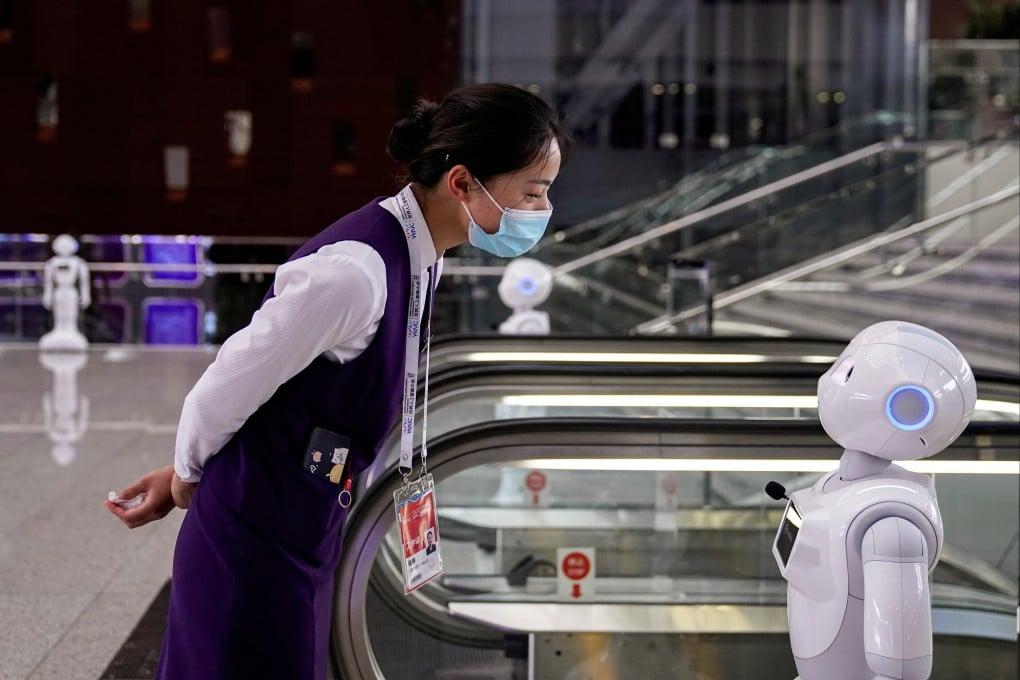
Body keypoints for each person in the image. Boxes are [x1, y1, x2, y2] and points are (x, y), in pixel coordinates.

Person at [105, 82, 569, 680]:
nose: (541, 210)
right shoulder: (355, 274)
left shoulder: (421, 256)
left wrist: (186, 472)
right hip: (252, 541)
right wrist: (188, 475)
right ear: (461, 183)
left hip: (304, 526)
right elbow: (223, 387)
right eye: (532, 192)